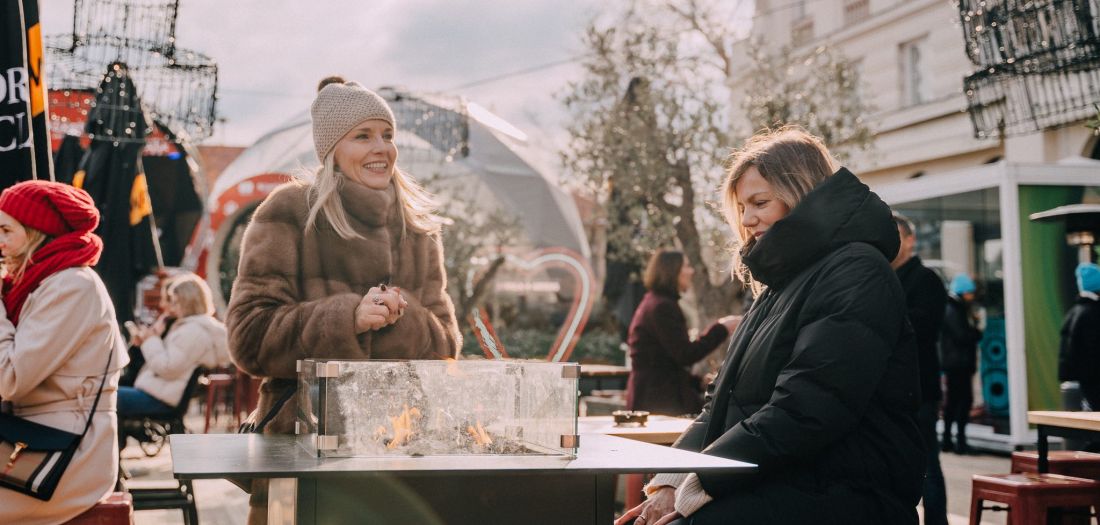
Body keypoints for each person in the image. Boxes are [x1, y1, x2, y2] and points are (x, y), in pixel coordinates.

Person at [617, 128, 923, 525]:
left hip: (846, 492)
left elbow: (806, 409)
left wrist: (697, 487)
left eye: (759, 203)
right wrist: (672, 480)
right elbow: (719, 405)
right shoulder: (779, 286)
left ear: (801, 193)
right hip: (785, 479)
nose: (747, 219)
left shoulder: (856, 270)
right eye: (742, 207)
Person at [227, 76, 461, 524]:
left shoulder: (418, 228)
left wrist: (403, 317)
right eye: (363, 136)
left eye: (388, 135)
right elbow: (248, 338)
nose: (382, 147)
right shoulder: (288, 212)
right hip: (300, 452)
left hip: (400, 451)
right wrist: (344, 319)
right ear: (332, 147)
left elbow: (447, 344)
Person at [0, 181, 128, 524]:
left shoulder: (72, 286)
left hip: (65, 458)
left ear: (36, 232)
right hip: (27, 442)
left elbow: (9, 380)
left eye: (6, 230)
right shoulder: (36, 284)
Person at [626, 249, 740, 416]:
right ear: (672, 271)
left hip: (653, 395)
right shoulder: (662, 307)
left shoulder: (655, 302)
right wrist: (722, 328)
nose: (691, 271)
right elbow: (684, 354)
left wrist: (696, 382)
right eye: (686, 266)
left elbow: (666, 360)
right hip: (658, 400)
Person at [891, 212, 948, 525]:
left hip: (920, 390)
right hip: (891, 390)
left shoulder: (926, 280)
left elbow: (922, 329)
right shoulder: (882, 278)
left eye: (896, 236)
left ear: (911, 240)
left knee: (927, 465)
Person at [118, 273, 230, 422]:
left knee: (103, 397)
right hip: (160, 393)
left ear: (188, 302)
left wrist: (151, 340)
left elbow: (167, 368)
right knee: (105, 395)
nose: (172, 307)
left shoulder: (192, 332)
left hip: (160, 399)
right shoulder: (191, 328)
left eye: (176, 302)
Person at [940, 273, 982, 455]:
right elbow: (962, 336)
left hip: (955, 363)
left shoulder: (952, 308)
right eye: (970, 293)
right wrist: (976, 332)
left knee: (954, 402)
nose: (972, 297)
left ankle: (949, 439)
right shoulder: (954, 310)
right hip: (959, 363)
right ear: (963, 293)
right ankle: (959, 441)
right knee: (962, 402)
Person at [1059, 262, 1100, 410]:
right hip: (1091, 385)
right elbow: (1093, 353)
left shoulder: (1075, 311)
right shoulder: (1093, 313)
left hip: (1077, 384)